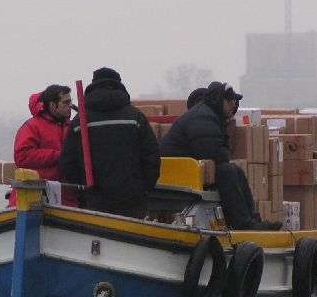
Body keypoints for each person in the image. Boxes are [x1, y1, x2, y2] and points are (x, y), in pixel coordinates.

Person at [160, 81, 281, 230]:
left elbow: (216, 153)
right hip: (174, 171)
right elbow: (214, 155)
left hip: (187, 167)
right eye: (229, 100)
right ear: (218, 100)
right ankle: (241, 223)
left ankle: (252, 220)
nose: (233, 104)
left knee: (235, 170)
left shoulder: (209, 116)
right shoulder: (203, 117)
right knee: (226, 171)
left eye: (234, 101)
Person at [60, 67, 160, 218]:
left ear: (93, 87)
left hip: (95, 200)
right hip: (133, 199)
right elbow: (151, 157)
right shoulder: (135, 117)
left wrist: (84, 190)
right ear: (119, 86)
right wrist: (144, 189)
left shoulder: (80, 121)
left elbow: (68, 162)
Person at [10, 84, 72, 206]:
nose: (70, 106)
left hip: (66, 197)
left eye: (70, 101)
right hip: (34, 196)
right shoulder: (32, 126)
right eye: (66, 102)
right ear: (52, 105)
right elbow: (22, 156)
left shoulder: (72, 127)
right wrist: (60, 156)